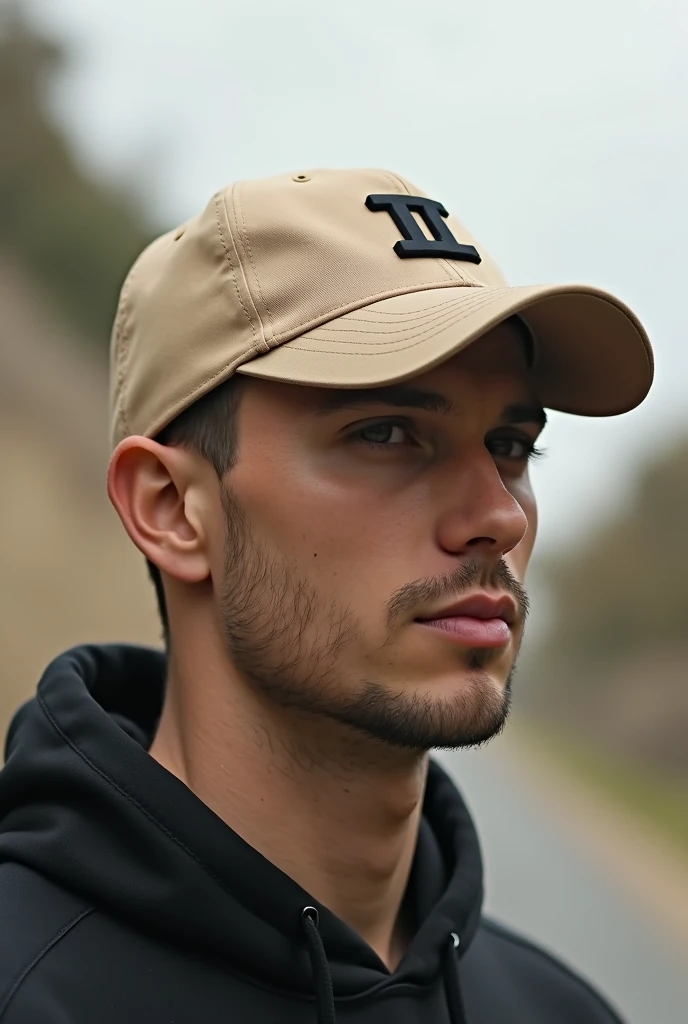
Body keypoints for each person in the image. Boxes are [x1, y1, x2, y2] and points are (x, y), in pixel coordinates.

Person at [0, 168, 653, 1023]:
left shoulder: (562, 1010)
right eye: (386, 434)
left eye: (510, 445)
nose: (497, 514)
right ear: (172, 511)